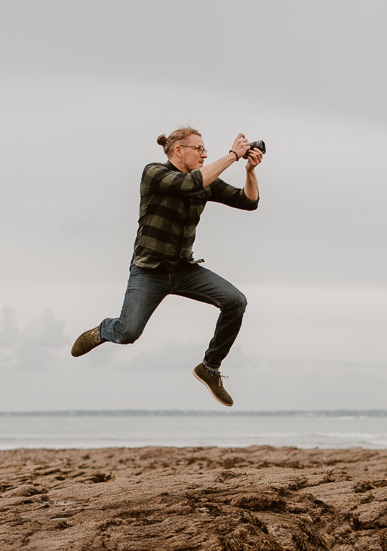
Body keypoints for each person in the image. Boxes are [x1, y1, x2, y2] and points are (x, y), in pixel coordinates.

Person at [70, 127, 263, 407]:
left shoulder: (205, 181)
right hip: (149, 271)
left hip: (184, 269)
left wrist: (249, 170)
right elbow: (190, 184)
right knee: (127, 333)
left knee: (235, 302)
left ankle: (210, 368)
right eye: (198, 149)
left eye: (205, 149)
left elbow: (249, 202)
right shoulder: (154, 173)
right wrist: (232, 155)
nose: (204, 154)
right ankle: (103, 330)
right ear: (178, 151)